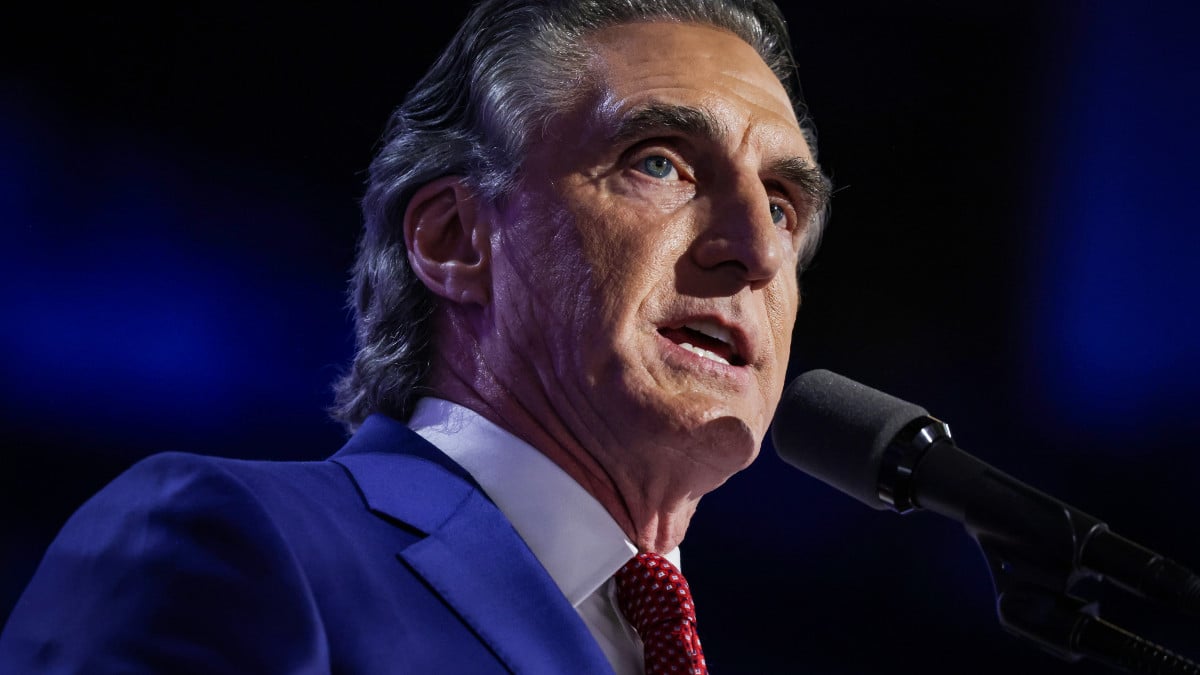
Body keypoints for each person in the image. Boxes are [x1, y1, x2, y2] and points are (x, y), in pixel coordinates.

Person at [0, 0, 830, 672]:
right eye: (661, 163)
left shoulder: (695, 645)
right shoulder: (234, 544)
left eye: (784, 206)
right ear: (452, 240)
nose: (759, 249)